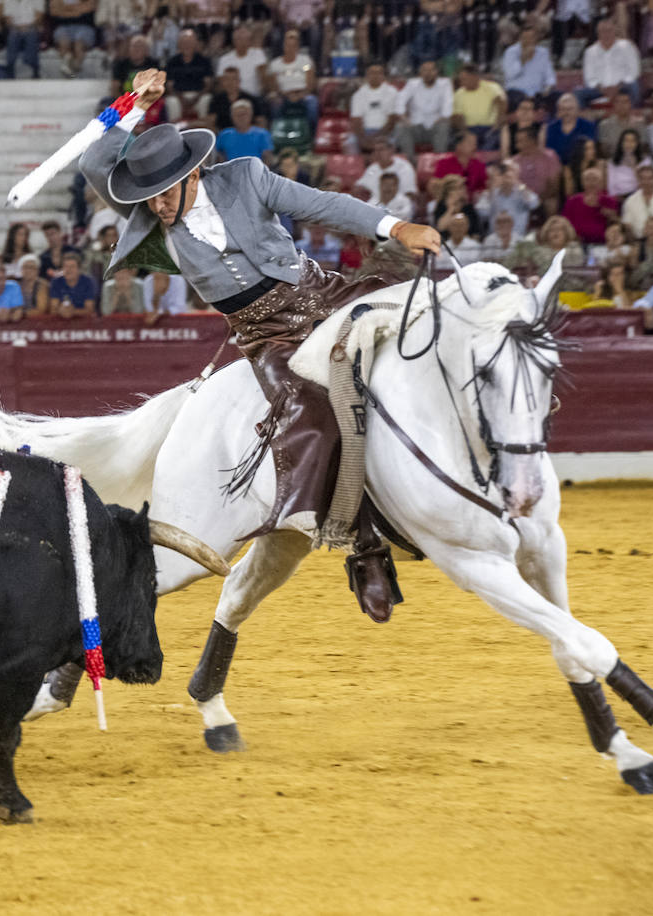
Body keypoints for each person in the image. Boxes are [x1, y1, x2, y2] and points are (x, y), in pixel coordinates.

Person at [79, 68, 441, 623]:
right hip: (266, 335)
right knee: (318, 413)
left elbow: (322, 203)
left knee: (426, 314)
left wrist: (395, 228)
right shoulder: (145, 215)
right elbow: (92, 161)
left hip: (322, 294)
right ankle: (364, 548)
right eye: (147, 198)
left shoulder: (245, 177)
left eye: (164, 193)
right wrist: (132, 103)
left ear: (193, 173)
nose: (156, 207)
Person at [394, 60, 453, 159]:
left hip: (436, 126)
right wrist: (403, 117)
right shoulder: (412, 84)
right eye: (425, 70)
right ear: (420, 73)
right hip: (416, 126)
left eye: (431, 70)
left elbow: (448, 106)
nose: (428, 73)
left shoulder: (445, 84)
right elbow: (400, 100)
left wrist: (443, 117)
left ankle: (439, 162)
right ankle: (410, 162)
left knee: (444, 126)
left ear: (436, 72)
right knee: (400, 126)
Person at [580, 16, 642, 107]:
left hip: (623, 87)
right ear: (598, 33)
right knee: (578, 94)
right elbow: (589, 78)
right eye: (603, 31)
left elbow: (634, 72)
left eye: (609, 30)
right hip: (599, 90)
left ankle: (634, 115)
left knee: (634, 86)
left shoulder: (627, 46)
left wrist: (617, 87)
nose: (606, 34)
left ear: (615, 31)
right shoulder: (590, 52)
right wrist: (602, 88)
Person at [476, 161, 539, 237]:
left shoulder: (523, 192)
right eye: (504, 171)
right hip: (495, 240)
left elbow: (534, 204)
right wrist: (492, 189)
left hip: (518, 239)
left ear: (517, 174)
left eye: (511, 171)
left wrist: (519, 185)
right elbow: (482, 213)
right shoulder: (490, 193)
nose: (507, 174)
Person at [452, 63, 507, 150]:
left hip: (490, 128)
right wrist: (465, 132)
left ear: (475, 77)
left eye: (464, 79)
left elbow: (501, 103)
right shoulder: (459, 93)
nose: (461, 83)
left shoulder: (491, 87)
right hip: (469, 129)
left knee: (490, 143)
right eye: (460, 80)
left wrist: (497, 124)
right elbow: (457, 116)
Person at [503, 23, 556, 109]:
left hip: (537, 93)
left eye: (531, 38)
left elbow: (550, 76)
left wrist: (548, 87)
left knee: (558, 97)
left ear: (536, 39)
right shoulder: (511, 52)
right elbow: (510, 75)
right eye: (525, 38)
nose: (528, 41)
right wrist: (522, 60)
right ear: (520, 38)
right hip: (516, 92)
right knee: (518, 99)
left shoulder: (543, 53)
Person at [561, 167, 620, 245]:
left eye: (595, 179)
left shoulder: (610, 201)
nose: (591, 183)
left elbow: (617, 224)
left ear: (602, 183)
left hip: (603, 243)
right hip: (576, 243)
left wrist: (611, 216)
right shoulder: (572, 201)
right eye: (587, 179)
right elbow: (564, 223)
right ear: (582, 183)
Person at [347, 64, 401, 149]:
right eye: (372, 73)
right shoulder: (358, 94)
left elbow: (392, 121)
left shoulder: (392, 92)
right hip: (365, 131)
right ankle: (357, 162)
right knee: (350, 143)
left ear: (383, 76)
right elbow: (356, 121)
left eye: (378, 73)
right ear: (367, 76)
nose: (375, 76)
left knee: (393, 141)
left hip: (387, 131)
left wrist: (377, 137)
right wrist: (363, 139)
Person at [215, 100, 273, 165]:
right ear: (231, 117)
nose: (240, 118)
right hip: (230, 172)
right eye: (237, 115)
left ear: (251, 115)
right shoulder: (224, 134)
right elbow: (217, 155)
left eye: (243, 114)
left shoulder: (262, 134)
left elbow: (267, 158)